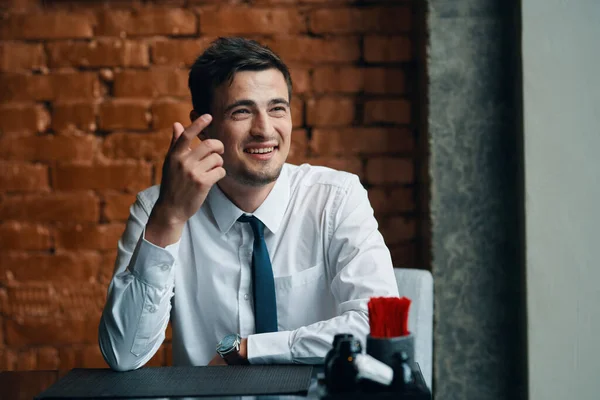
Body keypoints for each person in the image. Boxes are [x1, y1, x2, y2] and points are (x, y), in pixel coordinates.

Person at [99, 37, 399, 371]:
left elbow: (377, 326)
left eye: (277, 109)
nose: (265, 130)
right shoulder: (157, 209)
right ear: (203, 125)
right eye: (242, 111)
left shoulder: (336, 198)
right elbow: (123, 355)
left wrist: (251, 349)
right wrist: (169, 219)